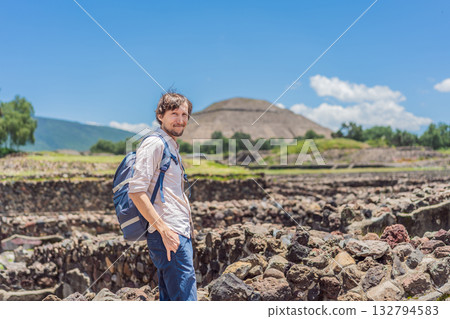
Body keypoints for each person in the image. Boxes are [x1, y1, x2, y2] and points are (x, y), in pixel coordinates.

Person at [128, 92, 197, 301]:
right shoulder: (155, 144)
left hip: (177, 232)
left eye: (184, 115)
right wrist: (164, 230)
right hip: (169, 234)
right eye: (174, 113)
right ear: (160, 115)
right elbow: (136, 191)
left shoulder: (171, 146)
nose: (181, 120)